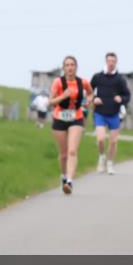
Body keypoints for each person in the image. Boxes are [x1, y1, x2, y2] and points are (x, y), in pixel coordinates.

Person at [49, 56, 93, 194]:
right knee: (63, 155)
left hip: (76, 117)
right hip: (60, 117)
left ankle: (69, 181)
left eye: (72, 64)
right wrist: (63, 96)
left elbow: (91, 93)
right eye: (67, 65)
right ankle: (63, 175)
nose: (70, 67)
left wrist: (88, 101)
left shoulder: (83, 82)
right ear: (64, 68)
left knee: (72, 151)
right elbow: (51, 101)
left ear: (76, 67)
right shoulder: (58, 82)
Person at [90, 52, 131, 175]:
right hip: (100, 113)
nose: (111, 63)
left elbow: (128, 95)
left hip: (114, 114)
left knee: (113, 141)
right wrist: (93, 99)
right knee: (101, 139)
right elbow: (88, 91)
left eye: (113, 61)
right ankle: (102, 157)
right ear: (106, 62)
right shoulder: (97, 77)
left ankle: (110, 163)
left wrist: (121, 99)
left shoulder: (120, 79)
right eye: (109, 61)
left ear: (116, 63)